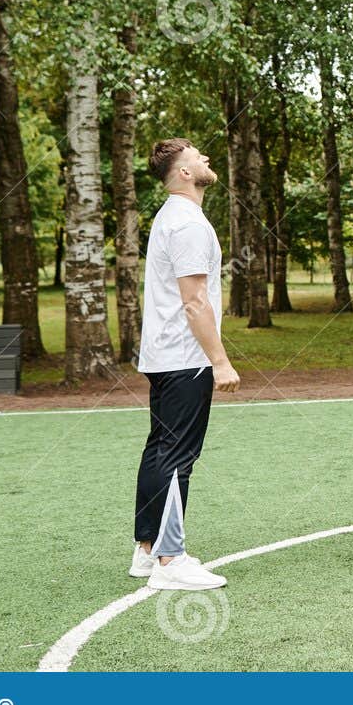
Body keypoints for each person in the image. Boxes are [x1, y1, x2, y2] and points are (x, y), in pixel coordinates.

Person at [130, 138, 240, 591]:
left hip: (165, 355)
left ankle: (147, 549)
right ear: (184, 174)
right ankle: (170, 559)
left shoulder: (170, 218)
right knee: (178, 456)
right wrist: (220, 361)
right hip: (184, 356)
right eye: (197, 156)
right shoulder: (188, 224)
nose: (206, 159)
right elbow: (194, 302)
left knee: (160, 448)